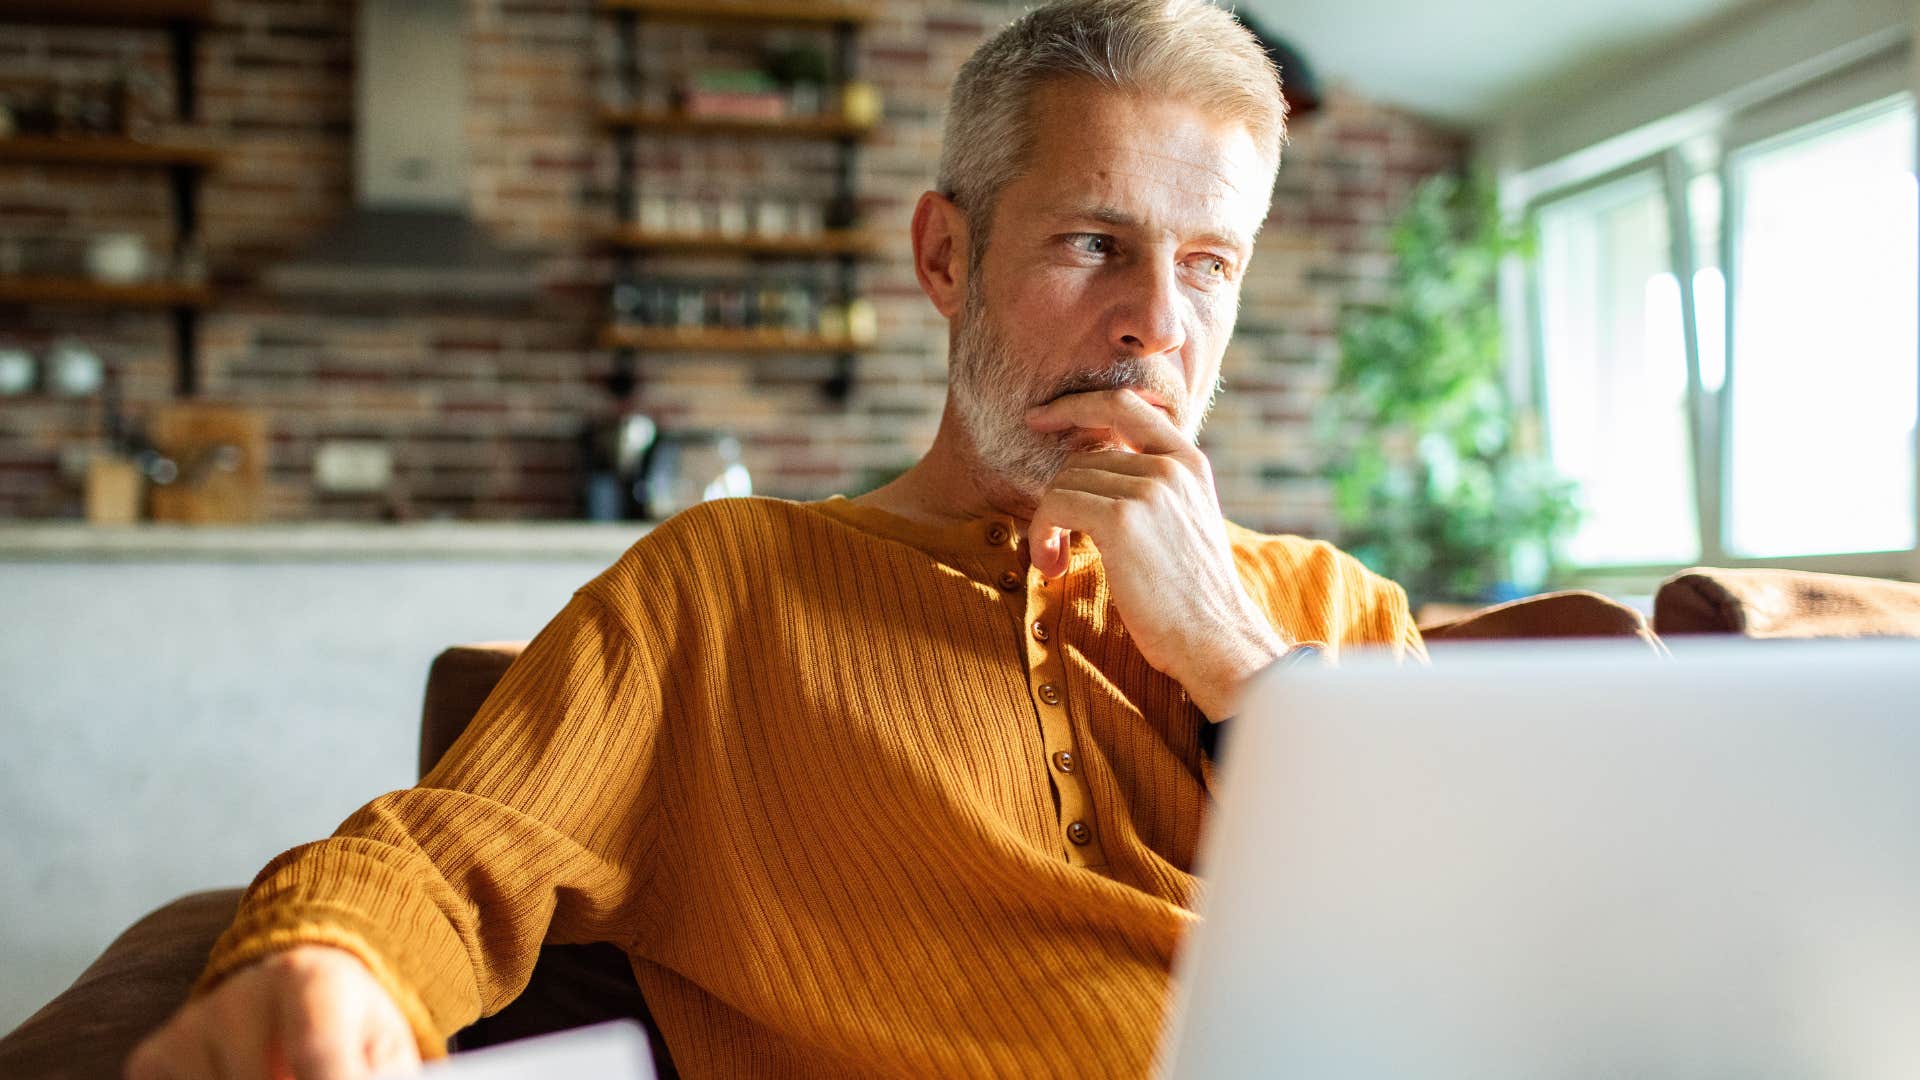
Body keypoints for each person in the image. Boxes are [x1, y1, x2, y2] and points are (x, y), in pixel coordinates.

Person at [127, 1, 1422, 1076]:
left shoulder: (1337, 612)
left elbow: (1464, 957)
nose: (1158, 324)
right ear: (945, 256)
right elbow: (443, 856)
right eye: (1096, 242)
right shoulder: (721, 589)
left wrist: (1242, 669)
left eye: (1209, 264)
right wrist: (328, 962)